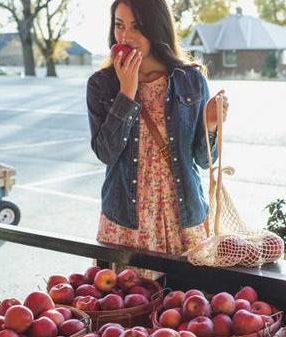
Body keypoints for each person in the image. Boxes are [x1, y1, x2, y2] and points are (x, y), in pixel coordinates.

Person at [87, 0, 229, 256]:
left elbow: (203, 160)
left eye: (137, 27)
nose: (126, 36)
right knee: (131, 296)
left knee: (188, 296)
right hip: (127, 223)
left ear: (156, 28)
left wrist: (210, 124)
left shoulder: (191, 80)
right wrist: (126, 94)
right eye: (119, 25)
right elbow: (105, 153)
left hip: (183, 219)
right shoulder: (101, 84)